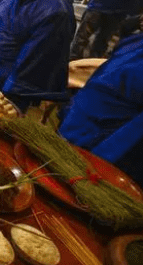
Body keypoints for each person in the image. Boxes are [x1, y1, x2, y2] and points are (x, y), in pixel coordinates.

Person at [59, 28, 143, 186]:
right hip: (73, 129)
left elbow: (133, 135)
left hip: (96, 155)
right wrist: (70, 110)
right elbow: (99, 81)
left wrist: (98, 167)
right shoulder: (135, 41)